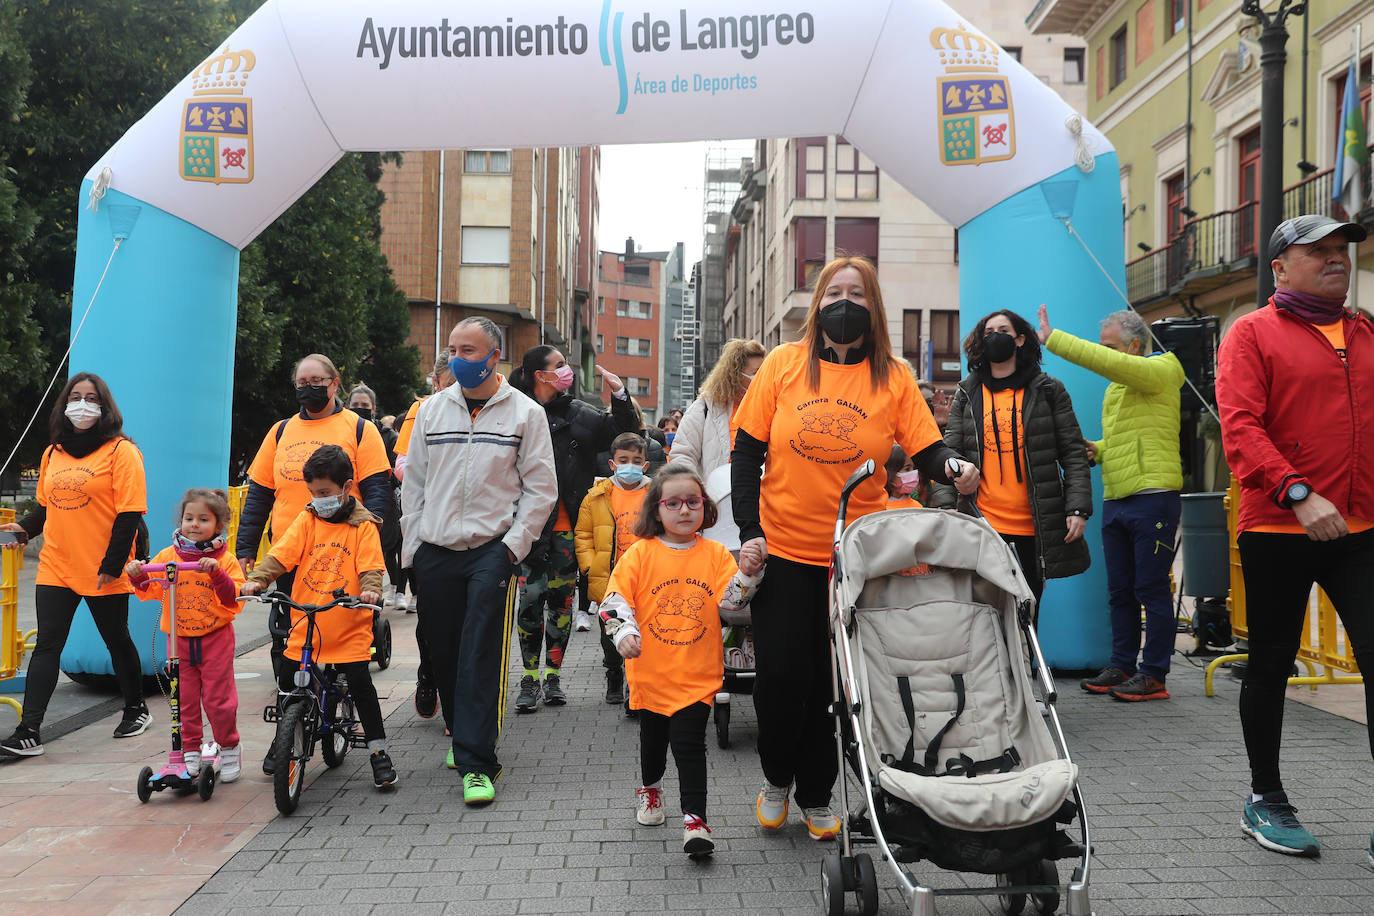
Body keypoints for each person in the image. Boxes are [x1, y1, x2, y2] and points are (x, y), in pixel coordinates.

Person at [731, 257, 980, 839]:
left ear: (875, 307)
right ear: (818, 303)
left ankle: (817, 794)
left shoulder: (892, 378)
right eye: (835, 292)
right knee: (782, 679)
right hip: (784, 552)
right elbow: (745, 455)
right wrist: (749, 530)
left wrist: (958, 469)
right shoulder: (784, 367)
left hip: (856, 556)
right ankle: (776, 779)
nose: (846, 303)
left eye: (858, 294)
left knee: (834, 684)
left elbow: (929, 454)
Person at [1215, 214, 1374, 859]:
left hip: (1363, 528)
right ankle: (1265, 797)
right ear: (1279, 268)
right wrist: (1297, 492)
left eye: (1342, 251)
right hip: (1281, 524)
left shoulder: (1366, 334)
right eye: (1319, 252)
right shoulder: (1251, 333)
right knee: (1274, 663)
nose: (1336, 259)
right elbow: (1241, 427)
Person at [401, 317, 557, 804]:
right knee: (442, 651)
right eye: (451, 349)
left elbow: (540, 488)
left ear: (495, 355)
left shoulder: (525, 414)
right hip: (436, 549)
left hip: (492, 550)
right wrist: (413, 547)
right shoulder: (430, 411)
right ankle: (460, 726)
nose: (456, 358)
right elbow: (416, 486)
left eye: (468, 349)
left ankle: (477, 760)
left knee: (480, 651)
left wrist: (514, 545)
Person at [604, 465, 765, 858]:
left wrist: (748, 574)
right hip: (650, 673)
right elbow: (613, 602)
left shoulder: (713, 554)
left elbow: (731, 602)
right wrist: (624, 634)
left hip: (697, 675)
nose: (684, 510)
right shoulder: (640, 554)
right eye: (673, 502)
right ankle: (651, 788)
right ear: (655, 510)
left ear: (706, 508)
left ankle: (696, 822)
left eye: (693, 502)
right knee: (654, 742)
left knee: (690, 745)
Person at [1036, 304, 1182, 701]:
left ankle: (1154, 674)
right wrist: (1097, 450)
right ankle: (1122, 665)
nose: (1106, 353)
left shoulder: (1164, 368)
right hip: (1119, 498)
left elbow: (1106, 365)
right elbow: (1124, 441)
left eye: (1112, 346)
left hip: (1153, 497)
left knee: (1150, 589)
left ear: (1135, 346)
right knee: (1120, 591)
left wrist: (1055, 340)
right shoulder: (1120, 387)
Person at [1, 373, 151, 759]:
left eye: (91, 398)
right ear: (64, 404)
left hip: (104, 567)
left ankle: (136, 708)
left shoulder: (122, 452)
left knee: (116, 639)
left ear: (105, 407)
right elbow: (47, 507)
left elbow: (130, 513)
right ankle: (28, 730)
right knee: (47, 645)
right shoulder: (53, 453)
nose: (82, 404)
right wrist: (23, 527)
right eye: (75, 396)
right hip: (57, 564)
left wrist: (112, 565)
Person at [241, 445, 397, 790]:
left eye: (324, 492)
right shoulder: (308, 518)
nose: (317, 499)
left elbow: (371, 565)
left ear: (347, 487)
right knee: (289, 677)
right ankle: (286, 739)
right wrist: (258, 579)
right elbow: (282, 554)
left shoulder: (363, 525)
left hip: (347, 621)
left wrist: (371, 591)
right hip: (307, 618)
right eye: (312, 492)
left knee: (360, 683)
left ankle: (378, 751)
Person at [236, 355, 392, 678]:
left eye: (316, 382)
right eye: (301, 383)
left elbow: (378, 490)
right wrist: (245, 549)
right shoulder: (280, 432)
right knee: (289, 625)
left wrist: (369, 536)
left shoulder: (361, 430)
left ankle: (340, 684)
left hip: (341, 551)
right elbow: (259, 495)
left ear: (334, 384)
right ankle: (292, 693)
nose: (308, 388)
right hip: (290, 550)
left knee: (337, 623)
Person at [931, 309, 1092, 611]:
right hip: (982, 524)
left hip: (1035, 527)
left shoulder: (1048, 390)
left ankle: (1025, 660)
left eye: (1003, 330)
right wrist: (943, 509)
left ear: (1019, 339)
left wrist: (1078, 507)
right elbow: (949, 453)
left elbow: (1073, 453)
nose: (995, 337)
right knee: (983, 613)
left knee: (1026, 611)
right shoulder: (968, 392)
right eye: (988, 332)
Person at [508, 346, 639, 712]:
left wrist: (620, 395)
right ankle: (529, 677)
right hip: (529, 529)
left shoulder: (579, 413)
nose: (568, 371)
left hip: (569, 530)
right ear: (539, 373)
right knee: (529, 603)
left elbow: (624, 434)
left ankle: (553, 675)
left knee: (562, 604)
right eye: (560, 365)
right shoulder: (514, 412)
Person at [126, 488, 246, 781]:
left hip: (215, 638)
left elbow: (233, 597)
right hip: (178, 642)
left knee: (219, 701)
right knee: (185, 699)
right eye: (189, 518)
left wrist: (217, 572)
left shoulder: (225, 559)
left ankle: (228, 746)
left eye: (203, 519)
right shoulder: (169, 555)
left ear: (217, 526)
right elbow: (150, 585)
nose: (194, 524)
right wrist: (137, 573)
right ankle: (190, 750)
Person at [393, 357, 452, 721]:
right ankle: (428, 675)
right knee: (430, 614)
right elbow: (402, 465)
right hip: (427, 524)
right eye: (445, 382)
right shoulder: (422, 410)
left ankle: (457, 699)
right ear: (435, 381)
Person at [574, 432, 652, 706]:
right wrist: (590, 565)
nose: (629, 465)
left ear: (645, 465)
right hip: (610, 577)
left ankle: (636, 683)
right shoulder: (597, 496)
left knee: (642, 628)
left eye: (636, 460)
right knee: (611, 629)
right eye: (623, 460)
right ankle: (613, 673)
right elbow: (583, 535)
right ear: (612, 464)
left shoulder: (655, 494)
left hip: (645, 576)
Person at [670, 338, 767, 480]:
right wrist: (698, 493)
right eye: (755, 372)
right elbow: (682, 455)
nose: (761, 378)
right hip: (715, 497)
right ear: (735, 374)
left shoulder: (768, 408)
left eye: (764, 372)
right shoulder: (705, 408)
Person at [347, 383, 404, 611]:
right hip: (348, 505)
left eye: (364, 405)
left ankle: (379, 597)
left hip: (380, 505)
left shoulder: (387, 436)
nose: (359, 409)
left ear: (374, 408)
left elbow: (393, 470)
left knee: (381, 552)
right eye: (355, 405)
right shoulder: (342, 430)